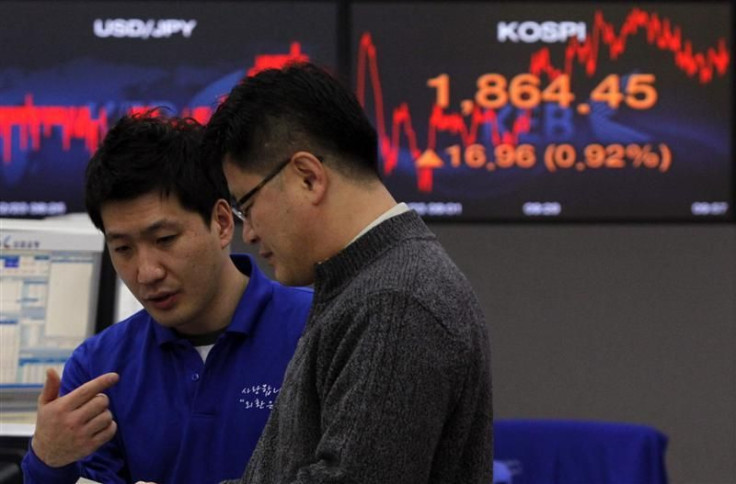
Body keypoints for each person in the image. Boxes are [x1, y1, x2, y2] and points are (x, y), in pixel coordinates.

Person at [202, 63, 493, 483]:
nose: (249, 232)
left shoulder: (396, 302)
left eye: (246, 204)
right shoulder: (366, 285)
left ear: (308, 178)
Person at [20, 112, 313, 484]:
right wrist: (48, 461)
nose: (146, 273)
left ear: (222, 223)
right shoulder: (99, 369)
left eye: (165, 240)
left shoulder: (317, 329)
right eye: (123, 248)